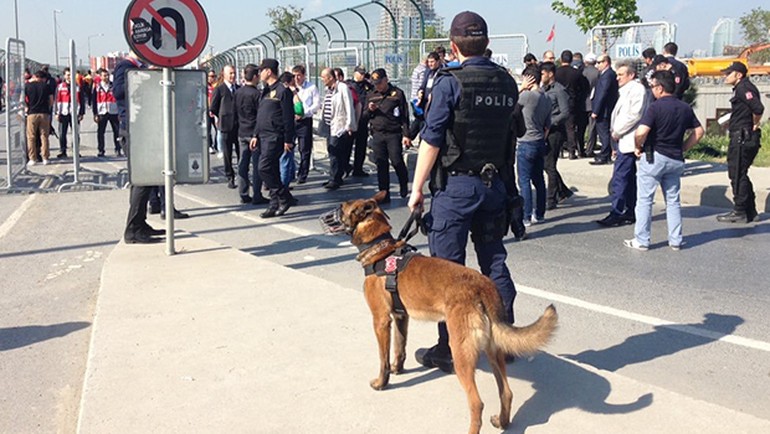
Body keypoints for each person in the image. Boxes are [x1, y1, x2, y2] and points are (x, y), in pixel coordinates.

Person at [408, 11, 518, 372]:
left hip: (456, 188)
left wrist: (416, 187)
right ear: (486, 43)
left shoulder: (448, 82)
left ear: (453, 46)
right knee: (494, 260)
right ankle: (505, 337)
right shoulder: (506, 81)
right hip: (494, 185)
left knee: (447, 274)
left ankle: (449, 348)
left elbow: (432, 139)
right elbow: (509, 139)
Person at [625, 70, 704, 251]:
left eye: (652, 86)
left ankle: (642, 240)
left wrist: (638, 146)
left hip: (654, 156)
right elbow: (699, 132)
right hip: (675, 158)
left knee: (645, 199)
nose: (652, 90)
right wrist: (684, 147)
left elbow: (642, 131)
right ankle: (675, 240)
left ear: (660, 88)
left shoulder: (655, 107)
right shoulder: (685, 107)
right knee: (673, 200)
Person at [115, 53, 165, 244]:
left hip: (141, 126)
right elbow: (118, 92)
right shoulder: (125, 66)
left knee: (147, 178)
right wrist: (142, 77)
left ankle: (140, 223)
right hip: (132, 127)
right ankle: (132, 230)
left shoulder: (137, 67)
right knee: (141, 179)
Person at [597, 61, 650, 227]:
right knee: (628, 178)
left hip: (628, 139)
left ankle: (617, 211)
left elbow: (634, 115)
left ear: (631, 75)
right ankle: (630, 210)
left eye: (621, 75)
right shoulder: (625, 90)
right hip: (623, 140)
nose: (617, 78)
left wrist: (617, 131)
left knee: (620, 178)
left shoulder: (637, 90)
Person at [716, 61, 764, 223]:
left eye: (728, 73)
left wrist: (754, 123)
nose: (725, 76)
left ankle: (740, 210)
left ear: (739, 75)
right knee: (741, 173)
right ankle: (750, 211)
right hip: (742, 135)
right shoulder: (742, 88)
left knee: (736, 174)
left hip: (742, 137)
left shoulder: (744, 88)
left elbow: (758, 108)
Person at [253, 58, 296, 218]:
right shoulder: (265, 91)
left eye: (261, 70)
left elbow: (288, 117)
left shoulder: (282, 91)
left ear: (268, 71)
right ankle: (275, 203)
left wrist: (288, 140)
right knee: (272, 170)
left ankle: (283, 196)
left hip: (275, 136)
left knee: (263, 168)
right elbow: (260, 115)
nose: (260, 73)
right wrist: (255, 135)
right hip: (263, 136)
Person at [365, 68, 411, 203]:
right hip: (378, 133)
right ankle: (384, 193)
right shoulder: (371, 95)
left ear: (386, 80)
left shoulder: (397, 94)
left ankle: (403, 182)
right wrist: (369, 109)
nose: (377, 86)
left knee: (396, 160)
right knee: (381, 164)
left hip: (393, 133)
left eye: (379, 83)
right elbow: (364, 116)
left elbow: (405, 116)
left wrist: (406, 135)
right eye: (375, 83)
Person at [517, 65, 551, 227]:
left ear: (529, 79)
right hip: (539, 141)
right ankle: (540, 214)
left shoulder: (528, 96)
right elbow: (547, 125)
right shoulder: (545, 97)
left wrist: (521, 88)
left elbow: (510, 103)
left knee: (524, 181)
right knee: (538, 179)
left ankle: (526, 216)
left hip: (526, 141)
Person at [233, 63, 269, 205]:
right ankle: (257, 195)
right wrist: (256, 134)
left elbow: (234, 112)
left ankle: (243, 193)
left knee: (242, 163)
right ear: (255, 77)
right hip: (254, 133)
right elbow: (260, 116)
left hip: (241, 131)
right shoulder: (256, 94)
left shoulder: (238, 92)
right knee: (256, 165)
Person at [540, 61, 573, 210]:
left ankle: (551, 199)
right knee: (546, 165)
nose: (541, 76)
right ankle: (563, 190)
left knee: (550, 165)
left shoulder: (559, 90)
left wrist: (551, 123)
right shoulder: (543, 89)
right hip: (544, 130)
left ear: (550, 74)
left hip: (555, 132)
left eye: (543, 73)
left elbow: (565, 112)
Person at [319, 67, 355, 190]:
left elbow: (349, 106)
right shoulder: (328, 90)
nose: (322, 80)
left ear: (330, 77)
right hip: (329, 125)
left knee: (334, 153)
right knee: (333, 151)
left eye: (323, 77)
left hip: (339, 126)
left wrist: (349, 125)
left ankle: (335, 178)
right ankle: (337, 174)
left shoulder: (343, 88)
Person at [209, 65, 240, 189]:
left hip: (238, 126)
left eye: (234, 73)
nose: (233, 76)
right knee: (227, 154)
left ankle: (242, 176)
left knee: (240, 153)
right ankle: (230, 176)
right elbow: (213, 107)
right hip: (226, 126)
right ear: (225, 74)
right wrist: (221, 117)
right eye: (230, 73)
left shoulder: (238, 88)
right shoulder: (220, 89)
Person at [292, 64, 321, 184]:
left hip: (305, 121)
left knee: (304, 148)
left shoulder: (311, 87)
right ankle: (289, 172)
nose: (297, 78)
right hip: (292, 121)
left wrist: (305, 112)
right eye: (294, 76)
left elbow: (317, 104)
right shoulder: (289, 88)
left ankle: (303, 173)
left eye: (299, 75)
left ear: (304, 76)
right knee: (288, 147)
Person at [589, 54, 618, 165]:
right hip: (605, 109)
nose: (597, 65)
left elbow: (602, 93)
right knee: (605, 133)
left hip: (604, 110)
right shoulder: (606, 74)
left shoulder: (607, 75)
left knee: (604, 133)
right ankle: (606, 154)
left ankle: (604, 155)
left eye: (599, 62)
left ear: (606, 62)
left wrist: (596, 110)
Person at [278, 71, 303, 188]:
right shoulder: (287, 93)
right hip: (287, 131)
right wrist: (294, 92)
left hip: (274, 131)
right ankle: (283, 188)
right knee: (285, 159)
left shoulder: (272, 92)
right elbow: (299, 109)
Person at [23, 70, 53, 166]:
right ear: (43, 78)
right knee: (44, 136)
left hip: (32, 113)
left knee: (31, 137)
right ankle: (45, 158)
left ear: (35, 76)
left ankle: (32, 158)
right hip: (44, 113)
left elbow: (22, 99)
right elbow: (51, 100)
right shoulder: (46, 86)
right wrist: (48, 107)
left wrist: (27, 107)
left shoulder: (27, 86)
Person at [54, 68, 85, 158]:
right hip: (63, 113)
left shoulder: (77, 86)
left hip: (74, 113)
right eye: (68, 75)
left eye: (71, 75)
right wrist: (56, 113)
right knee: (62, 133)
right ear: (64, 76)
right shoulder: (60, 87)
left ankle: (76, 150)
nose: (69, 77)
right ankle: (63, 150)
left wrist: (81, 113)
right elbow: (57, 100)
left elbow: (81, 100)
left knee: (76, 133)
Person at [349, 66, 373, 177]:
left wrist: (370, 79)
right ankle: (346, 167)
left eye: (364, 74)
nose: (363, 76)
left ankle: (358, 168)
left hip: (363, 120)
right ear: (355, 73)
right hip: (352, 119)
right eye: (361, 74)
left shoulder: (367, 85)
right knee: (347, 147)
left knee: (361, 146)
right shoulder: (349, 85)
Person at [92, 68, 121, 157]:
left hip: (113, 111)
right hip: (102, 112)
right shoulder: (97, 87)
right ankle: (101, 150)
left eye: (107, 75)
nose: (106, 77)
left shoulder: (113, 86)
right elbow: (94, 101)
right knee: (101, 132)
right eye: (104, 75)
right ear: (100, 77)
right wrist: (95, 114)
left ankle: (118, 149)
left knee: (117, 132)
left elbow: (119, 99)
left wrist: (120, 112)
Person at [579, 53, 600, 157]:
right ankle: (589, 149)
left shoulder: (581, 72)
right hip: (593, 103)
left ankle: (580, 149)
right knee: (592, 128)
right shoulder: (598, 73)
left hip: (581, 103)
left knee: (580, 128)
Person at [206, 70, 218, 154]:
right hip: (207, 109)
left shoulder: (217, 86)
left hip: (215, 110)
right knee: (208, 129)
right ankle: (210, 145)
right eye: (210, 76)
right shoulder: (205, 86)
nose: (211, 78)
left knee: (218, 129)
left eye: (213, 76)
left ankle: (217, 145)